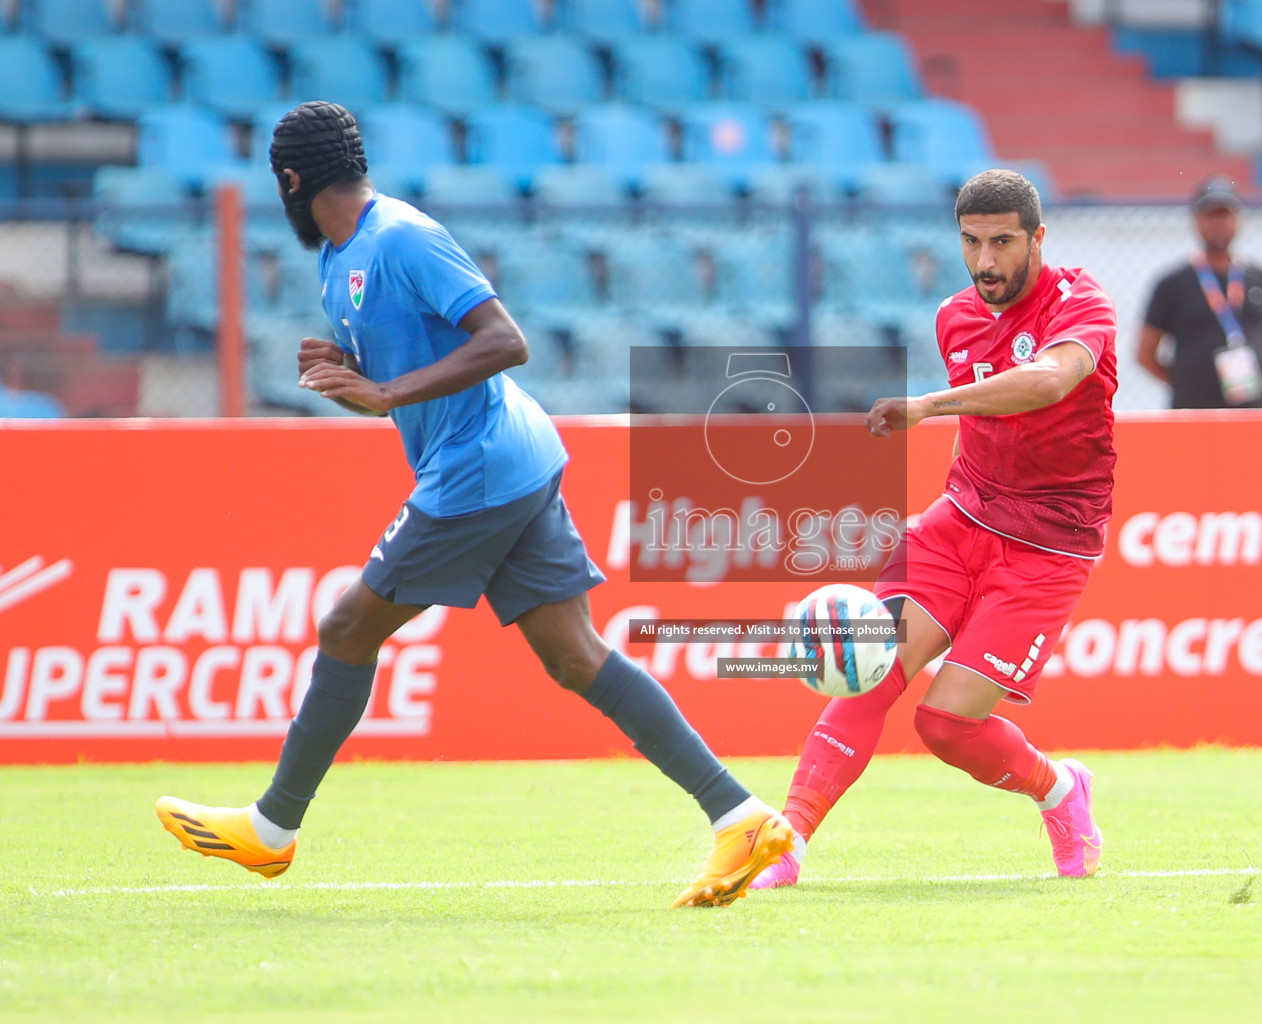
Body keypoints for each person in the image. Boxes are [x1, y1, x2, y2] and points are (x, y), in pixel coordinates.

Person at [155, 101, 792, 909]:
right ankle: (739, 815)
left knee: (348, 626)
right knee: (574, 655)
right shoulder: (341, 257)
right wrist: (350, 360)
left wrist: (384, 391)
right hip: (510, 459)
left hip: (478, 468)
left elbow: (504, 340)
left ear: (288, 179)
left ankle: (272, 829)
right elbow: (420, 342)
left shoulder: (402, 237)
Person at [753, 168, 1113, 890]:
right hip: (959, 523)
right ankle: (783, 846)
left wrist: (928, 404)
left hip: (1049, 547)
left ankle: (1060, 792)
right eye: (972, 243)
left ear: (1037, 238)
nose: (987, 262)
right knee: (869, 673)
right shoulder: (955, 316)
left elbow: (1046, 382)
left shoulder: (1081, 302)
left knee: (945, 727)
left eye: (1004, 243)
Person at [1137, 175, 1262, 409]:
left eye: (1225, 214)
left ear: (1238, 219)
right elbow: (1145, 352)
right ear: (1196, 220)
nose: (1218, 223)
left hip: (1250, 413)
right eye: (1210, 215)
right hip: (1192, 412)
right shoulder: (1172, 284)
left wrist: (1249, 370)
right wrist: (1186, 380)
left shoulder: (1261, 279)